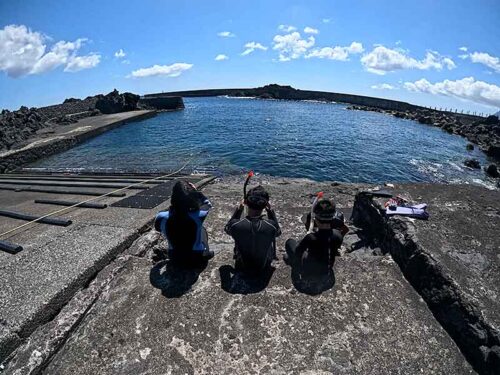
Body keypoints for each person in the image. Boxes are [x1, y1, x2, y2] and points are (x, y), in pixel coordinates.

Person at [154, 180, 214, 265]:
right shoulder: (199, 215)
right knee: (202, 230)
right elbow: (208, 204)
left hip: (175, 259)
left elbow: (158, 228)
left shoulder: (161, 217)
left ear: (173, 197)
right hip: (197, 259)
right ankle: (206, 252)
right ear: (192, 198)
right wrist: (196, 192)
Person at [224, 185, 281, 273]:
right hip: (263, 267)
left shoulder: (236, 225)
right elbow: (277, 232)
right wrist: (270, 211)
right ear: (266, 205)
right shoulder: (271, 225)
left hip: (241, 266)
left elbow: (227, 229)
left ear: (246, 202)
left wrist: (239, 210)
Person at [285, 198, 348, 276]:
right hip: (327, 269)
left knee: (290, 242)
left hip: (310, 269)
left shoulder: (310, 238)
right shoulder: (338, 235)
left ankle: (296, 266)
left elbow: (298, 253)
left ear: (316, 220)